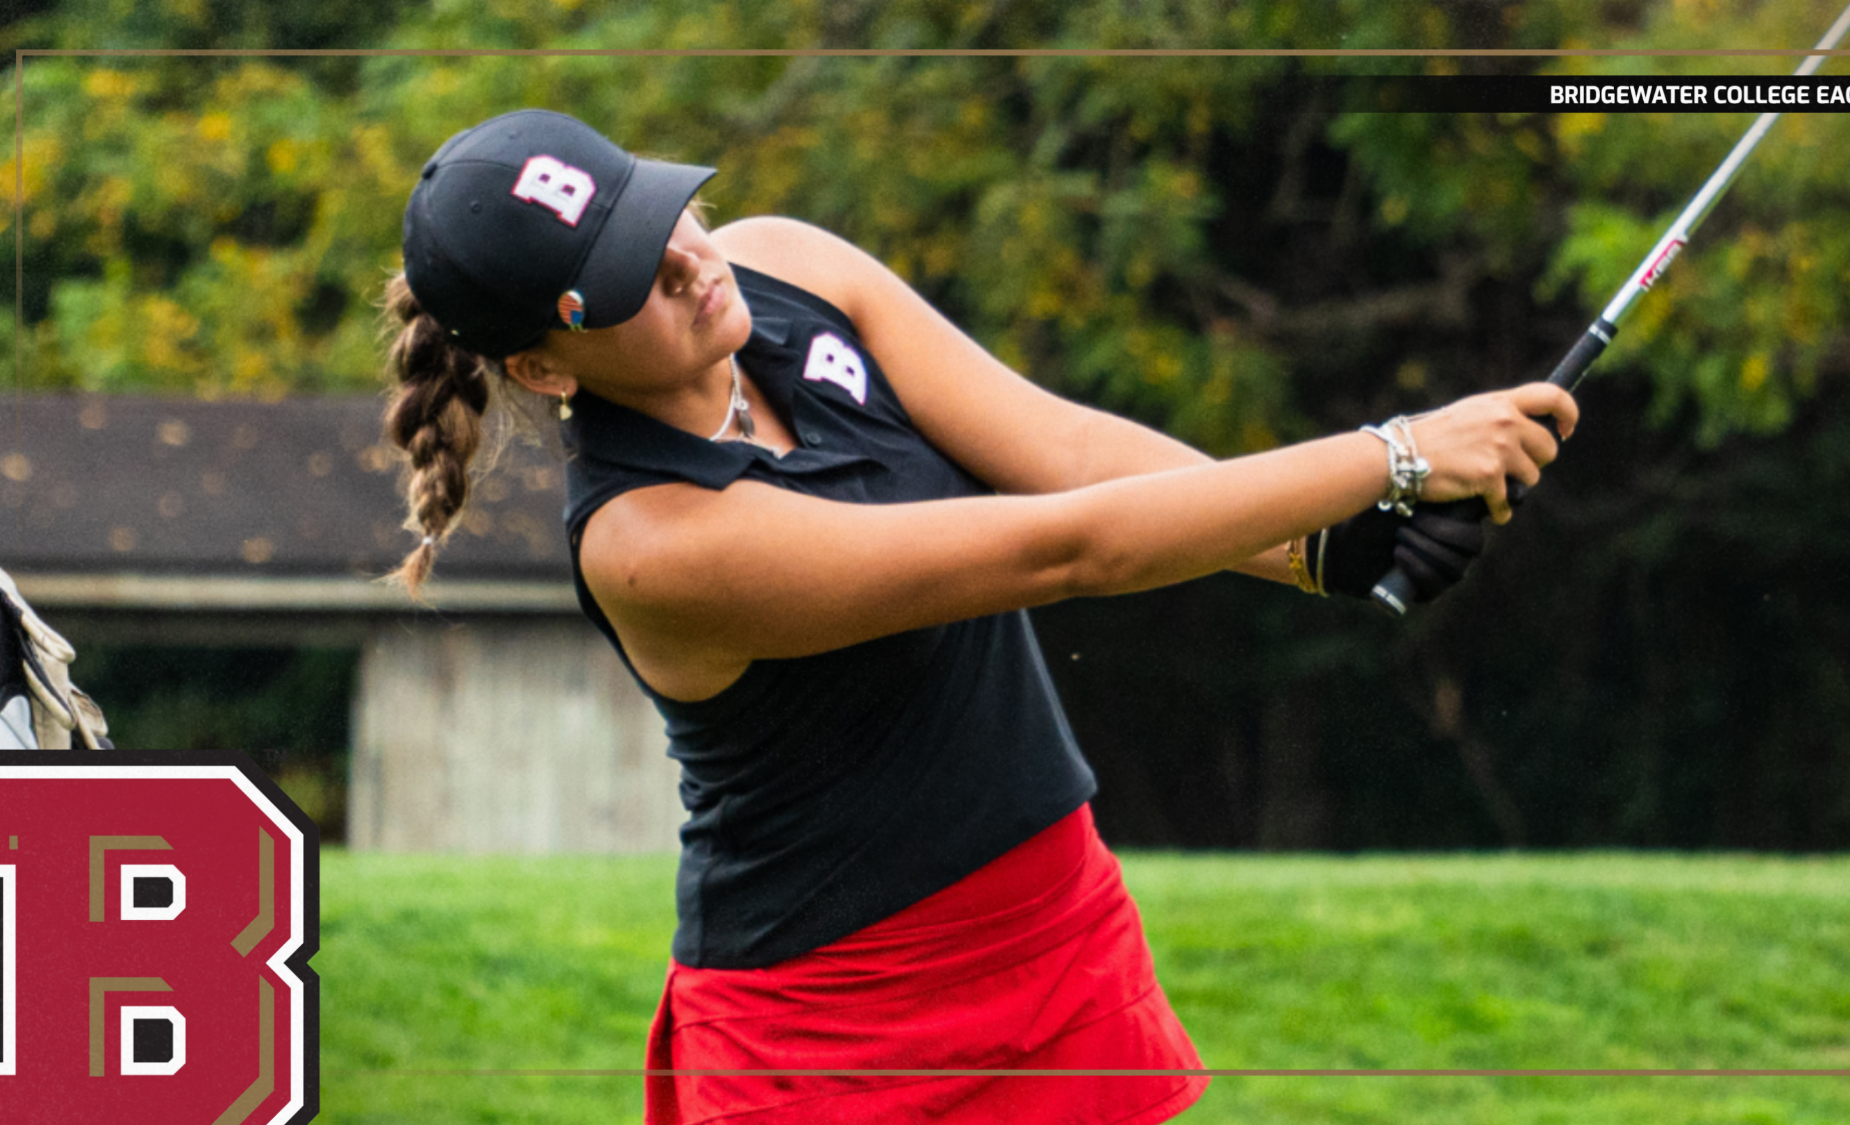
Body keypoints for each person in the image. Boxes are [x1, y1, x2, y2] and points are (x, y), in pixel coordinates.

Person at [382, 109, 1577, 1125]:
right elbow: (1068, 548)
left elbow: (1066, 453)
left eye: (663, 217)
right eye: (629, 277)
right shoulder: (652, 543)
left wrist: (1317, 548)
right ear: (545, 368)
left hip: (1050, 918)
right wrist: (1391, 456)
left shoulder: (789, 264)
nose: (689, 264)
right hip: (837, 1025)